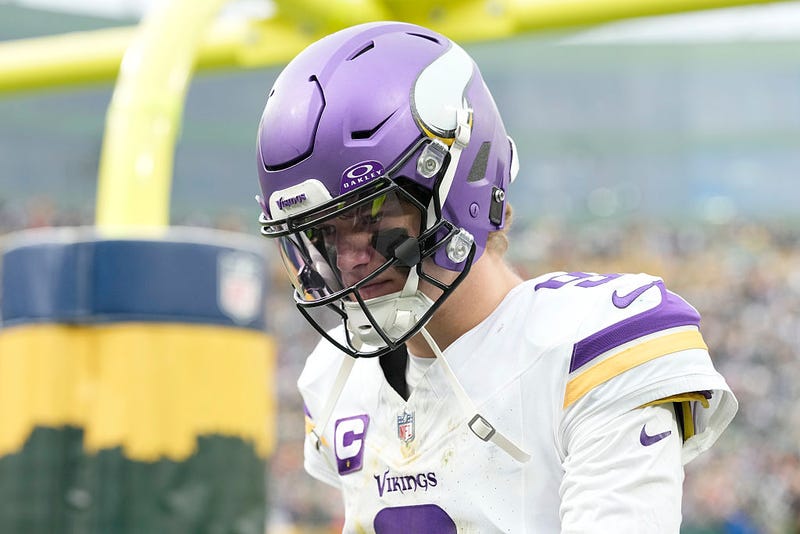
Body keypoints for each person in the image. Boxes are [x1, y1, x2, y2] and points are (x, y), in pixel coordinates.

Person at [254, 21, 738, 532]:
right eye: (322, 234)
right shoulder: (336, 378)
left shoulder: (588, 347)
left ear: (461, 184)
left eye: (371, 215)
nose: (348, 259)